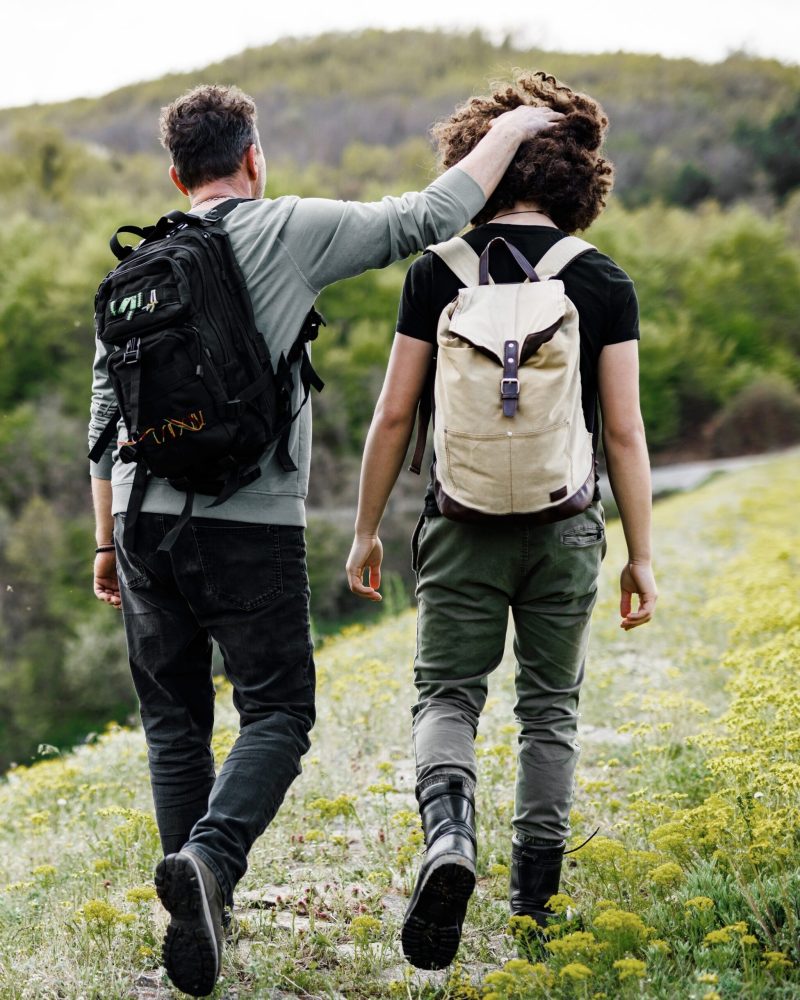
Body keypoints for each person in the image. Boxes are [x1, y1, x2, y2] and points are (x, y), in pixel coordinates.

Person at [88, 83, 561, 997]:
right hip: (245, 523)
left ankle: (197, 915)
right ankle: (213, 865)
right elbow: (427, 217)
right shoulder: (286, 227)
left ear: (174, 173)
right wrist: (508, 129)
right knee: (278, 712)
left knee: (174, 727)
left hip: (142, 524)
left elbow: (104, 417)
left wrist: (106, 543)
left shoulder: (138, 268)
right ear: (253, 159)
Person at [346, 71, 657, 970]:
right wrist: (641, 554)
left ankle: (449, 840)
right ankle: (534, 906)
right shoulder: (601, 281)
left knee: (448, 695)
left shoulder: (433, 273)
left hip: (459, 522)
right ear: (577, 178)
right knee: (549, 710)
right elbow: (626, 434)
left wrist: (367, 530)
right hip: (565, 527)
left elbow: (394, 416)